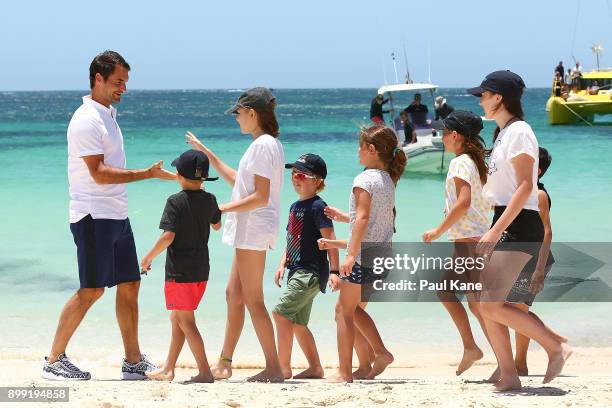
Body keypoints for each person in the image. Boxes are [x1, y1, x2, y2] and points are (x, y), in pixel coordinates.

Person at [42, 51, 175, 381]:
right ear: (97, 79)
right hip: (92, 216)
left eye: (126, 82)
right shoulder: (86, 119)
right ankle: (54, 360)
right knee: (92, 290)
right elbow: (99, 173)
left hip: (116, 214)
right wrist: (146, 174)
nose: (123, 89)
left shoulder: (107, 115)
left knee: (130, 284)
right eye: (118, 82)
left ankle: (132, 361)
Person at [468, 70, 571, 391]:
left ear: (499, 97)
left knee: (489, 304)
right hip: (504, 219)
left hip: (517, 223)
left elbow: (526, 185)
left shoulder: (520, 132)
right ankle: (509, 374)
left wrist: (496, 230)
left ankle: (555, 345)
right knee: (487, 303)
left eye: (484, 95)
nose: (481, 101)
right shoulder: (503, 133)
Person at [186, 87, 285, 382]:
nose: (236, 118)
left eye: (238, 113)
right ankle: (225, 363)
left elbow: (260, 196)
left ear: (253, 113)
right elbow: (239, 181)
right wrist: (207, 153)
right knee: (234, 294)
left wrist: (221, 208)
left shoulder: (263, 145)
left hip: (254, 228)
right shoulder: (264, 144)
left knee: (253, 299)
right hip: (249, 229)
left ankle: (274, 367)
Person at [321, 124, 406, 383]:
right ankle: (364, 365)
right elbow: (375, 220)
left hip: (363, 256)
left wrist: (349, 254)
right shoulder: (387, 180)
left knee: (346, 312)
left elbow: (364, 218)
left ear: (371, 149)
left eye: (360, 147)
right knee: (349, 310)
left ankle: (355, 367)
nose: (357, 151)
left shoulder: (364, 179)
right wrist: (344, 217)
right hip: (382, 256)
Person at [141, 150, 221, 383]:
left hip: (180, 271)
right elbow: (216, 226)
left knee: (186, 321)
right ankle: (169, 369)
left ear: (178, 175)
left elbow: (168, 236)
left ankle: (205, 372)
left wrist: (147, 258)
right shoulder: (210, 199)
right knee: (178, 318)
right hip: (201, 270)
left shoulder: (175, 201)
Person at [422, 111, 491, 376]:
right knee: (474, 302)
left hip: (470, 241)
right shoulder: (474, 161)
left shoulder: (460, 162)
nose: (441, 137)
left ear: (456, 135)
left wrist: (438, 230)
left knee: (461, 297)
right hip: (474, 238)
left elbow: (463, 202)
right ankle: (476, 348)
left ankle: (480, 350)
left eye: (444, 132)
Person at [272, 154, 339, 380]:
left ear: (317, 180)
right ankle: (315, 367)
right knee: (298, 324)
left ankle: (282, 368)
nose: (295, 179)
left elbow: (330, 239)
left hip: (310, 272)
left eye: (301, 175)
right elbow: (293, 239)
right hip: (296, 271)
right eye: (293, 174)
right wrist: (282, 262)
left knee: (280, 314)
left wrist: (335, 271)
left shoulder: (319, 207)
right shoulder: (294, 206)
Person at [512, 146, 566, 376]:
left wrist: (540, 270)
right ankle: (523, 361)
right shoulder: (519, 193)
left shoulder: (539, 195)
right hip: (521, 258)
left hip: (536, 260)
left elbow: (547, 233)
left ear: (539, 171)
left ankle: (524, 362)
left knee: (517, 311)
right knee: (512, 309)